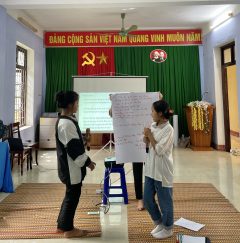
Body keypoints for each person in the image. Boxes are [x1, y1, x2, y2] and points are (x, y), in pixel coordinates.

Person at [55, 91, 96, 238]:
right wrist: (88, 162)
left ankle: (62, 224)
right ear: (71, 105)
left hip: (69, 167)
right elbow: (74, 150)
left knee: (70, 195)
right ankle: (68, 229)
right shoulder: (66, 124)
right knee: (72, 196)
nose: (78, 105)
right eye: (77, 103)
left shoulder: (67, 120)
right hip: (71, 169)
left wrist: (84, 139)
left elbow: (73, 144)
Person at [143, 100, 174, 239]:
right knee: (147, 199)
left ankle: (168, 228)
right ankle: (159, 223)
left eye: (153, 111)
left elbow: (160, 150)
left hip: (162, 171)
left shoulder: (169, 129)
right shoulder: (153, 125)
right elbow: (148, 144)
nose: (151, 114)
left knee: (165, 201)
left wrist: (150, 136)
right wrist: (146, 137)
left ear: (160, 113)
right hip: (150, 169)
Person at [108, 94, 144, 210]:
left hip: (147, 144)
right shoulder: (126, 113)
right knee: (137, 172)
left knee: (151, 173)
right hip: (133, 145)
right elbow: (112, 114)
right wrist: (114, 103)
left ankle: (149, 197)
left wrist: (159, 98)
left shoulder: (145, 110)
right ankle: (140, 198)